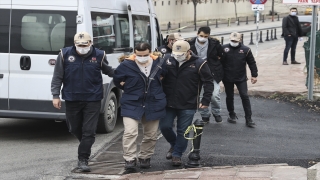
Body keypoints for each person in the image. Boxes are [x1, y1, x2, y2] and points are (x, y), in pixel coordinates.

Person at [51, 32, 114, 172]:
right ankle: (86, 142)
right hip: (72, 98)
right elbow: (57, 76)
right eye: (79, 45)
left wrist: (125, 75)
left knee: (89, 131)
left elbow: (109, 71)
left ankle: (83, 159)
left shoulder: (99, 55)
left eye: (84, 45)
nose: (82, 47)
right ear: (74, 44)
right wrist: (55, 95)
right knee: (73, 128)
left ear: (90, 43)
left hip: (93, 98)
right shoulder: (64, 54)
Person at [113, 43, 167, 170]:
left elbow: (165, 76)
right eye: (139, 55)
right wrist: (127, 86)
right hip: (132, 102)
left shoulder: (159, 63)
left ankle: (145, 157)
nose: (142, 57)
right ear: (134, 53)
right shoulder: (126, 65)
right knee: (130, 132)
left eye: (145, 55)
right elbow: (117, 80)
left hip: (153, 102)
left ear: (150, 53)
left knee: (151, 134)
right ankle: (130, 159)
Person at [160, 40, 214, 166]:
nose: (177, 56)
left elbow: (208, 82)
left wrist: (205, 100)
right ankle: (174, 144)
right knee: (165, 126)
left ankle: (177, 154)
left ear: (189, 52)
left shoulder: (199, 63)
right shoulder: (167, 59)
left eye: (181, 54)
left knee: (182, 130)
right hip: (168, 101)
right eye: (175, 53)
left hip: (188, 102)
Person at [221, 32, 258, 128]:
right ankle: (231, 114)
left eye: (235, 41)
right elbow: (218, 62)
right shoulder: (224, 49)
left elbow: (252, 63)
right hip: (227, 77)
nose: (234, 42)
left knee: (245, 96)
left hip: (241, 77)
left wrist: (254, 75)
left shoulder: (246, 50)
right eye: (232, 40)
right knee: (229, 96)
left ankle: (248, 119)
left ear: (240, 40)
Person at [189, 26, 224, 123]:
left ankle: (216, 112)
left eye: (205, 36)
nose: (203, 38)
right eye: (201, 35)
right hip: (196, 72)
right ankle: (204, 114)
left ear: (208, 36)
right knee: (200, 96)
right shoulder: (190, 44)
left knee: (214, 94)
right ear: (197, 34)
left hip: (211, 72)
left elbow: (221, 55)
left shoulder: (214, 43)